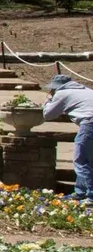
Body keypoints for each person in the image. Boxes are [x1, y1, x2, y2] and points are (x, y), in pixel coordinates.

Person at [43, 74, 93, 202]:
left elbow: (47, 115)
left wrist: (49, 100)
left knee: (81, 159)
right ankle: (81, 192)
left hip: (89, 123)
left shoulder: (62, 93)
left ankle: (90, 195)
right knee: (88, 159)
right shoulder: (86, 90)